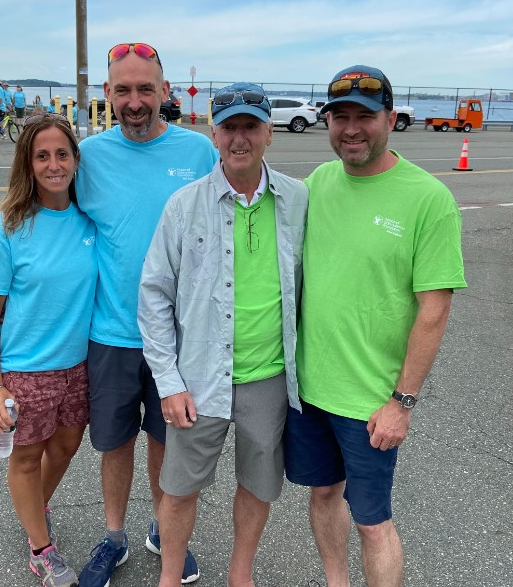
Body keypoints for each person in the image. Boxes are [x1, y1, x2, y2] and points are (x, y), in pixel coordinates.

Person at [284, 65, 467, 587]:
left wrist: (401, 403)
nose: (351, 129)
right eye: (339, 117)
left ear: (390, 118)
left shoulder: (427, 198)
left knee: (372, 521)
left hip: (371, 402)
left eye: (364, 116)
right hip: (309, 389)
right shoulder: (319, 183)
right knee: (323, 493)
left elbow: (434, 309)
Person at [138, 82, 308, 587]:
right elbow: (153, 295)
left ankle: (240, 574)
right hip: (198, 377)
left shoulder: (298, 199)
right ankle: (170, 576)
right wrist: (168, 382)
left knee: (258, 486)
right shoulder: (183, 205)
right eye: (229, 127)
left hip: (268, 376)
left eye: (250, 126)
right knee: (178, 489)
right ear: (213, 134)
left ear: (269, 133)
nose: (240, 138)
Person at [75, 42, 218, 587]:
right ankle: (114, 536)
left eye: (144, 89)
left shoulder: (198, 151)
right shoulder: (89, 156)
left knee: (167, 443)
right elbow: (60, 224)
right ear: (107, 94)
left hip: (179, 339)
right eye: (123, 90)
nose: (134, 101)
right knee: (115, 445)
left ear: (165, 91)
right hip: (111, 332)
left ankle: (165, 529)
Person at [0, 113, 98, 587]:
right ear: (27, 162)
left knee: (65, 447)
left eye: (62, 154)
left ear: (76, 159)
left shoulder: (89, 221)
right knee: (25, 458)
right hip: (23, 372)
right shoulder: (4, 230)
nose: (53, 164)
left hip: (78, 366)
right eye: (42, 156)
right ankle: (41, 549)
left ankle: (33, 511)